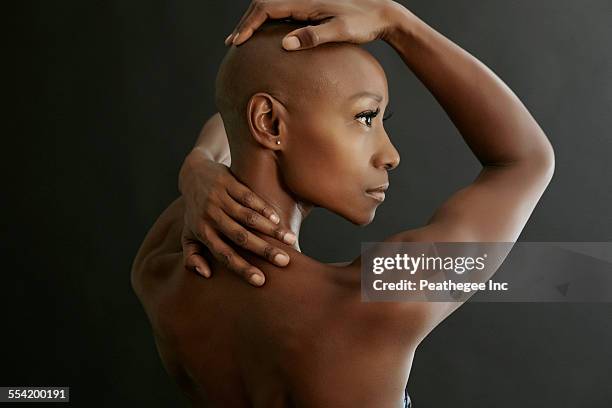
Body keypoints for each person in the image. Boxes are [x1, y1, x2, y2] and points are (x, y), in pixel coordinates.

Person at [131, 1, 555, 406]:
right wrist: (395, 21)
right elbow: (524, 161)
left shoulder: (159, 269)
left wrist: (198, 163)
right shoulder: (374, 305)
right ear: (271, 123)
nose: (390, 154)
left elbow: (232, 120)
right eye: (366, 118)